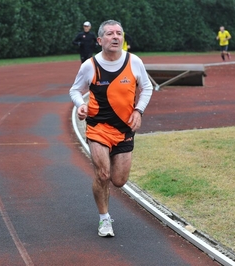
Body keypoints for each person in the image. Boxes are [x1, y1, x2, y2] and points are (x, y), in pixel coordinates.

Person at [69, 20, 153, 237]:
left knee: (119, 180)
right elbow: (75, 90)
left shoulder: (134, 62)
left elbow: (146, 87)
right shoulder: (90, 65)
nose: (115, 37)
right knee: (103, 174)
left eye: (119, 33)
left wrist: (138, 111)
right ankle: (104, 219)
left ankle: (105, 208)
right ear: (100, 40)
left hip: (124, 129)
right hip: (98, 127)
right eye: (110, 34)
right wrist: (81, 106)